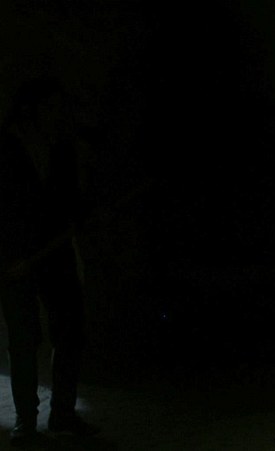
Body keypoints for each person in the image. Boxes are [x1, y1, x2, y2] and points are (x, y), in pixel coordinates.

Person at [0, 77, 100, 445]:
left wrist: (84, 213)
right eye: (52, 107)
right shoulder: (5, 150)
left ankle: (63, 414)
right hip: (16, 260)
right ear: (31, 110)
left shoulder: (61, 148)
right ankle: (26, 422)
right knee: (23, 339)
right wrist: (7, 258)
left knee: (70, 330)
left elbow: (69, 200)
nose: (60, 114)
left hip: (55, 254)